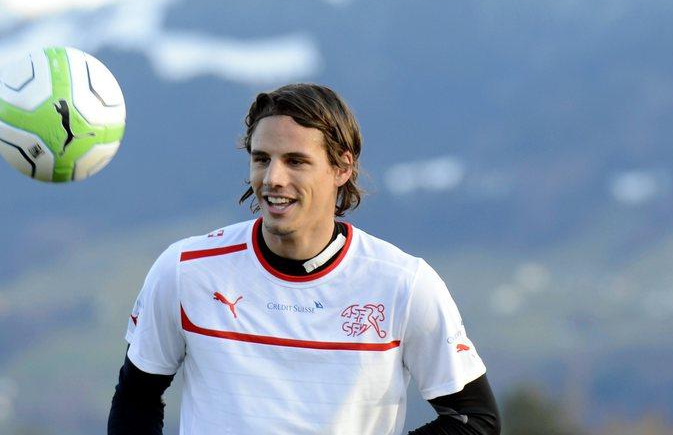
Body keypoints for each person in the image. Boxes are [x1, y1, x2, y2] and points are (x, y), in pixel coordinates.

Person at [108, 83, 500, 435]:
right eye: (262, 159)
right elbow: (135, 402)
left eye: (295, 161)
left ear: (342, 168)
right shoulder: (185, 270)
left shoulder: (403, 284)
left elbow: (475, 421)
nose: (273, 178)